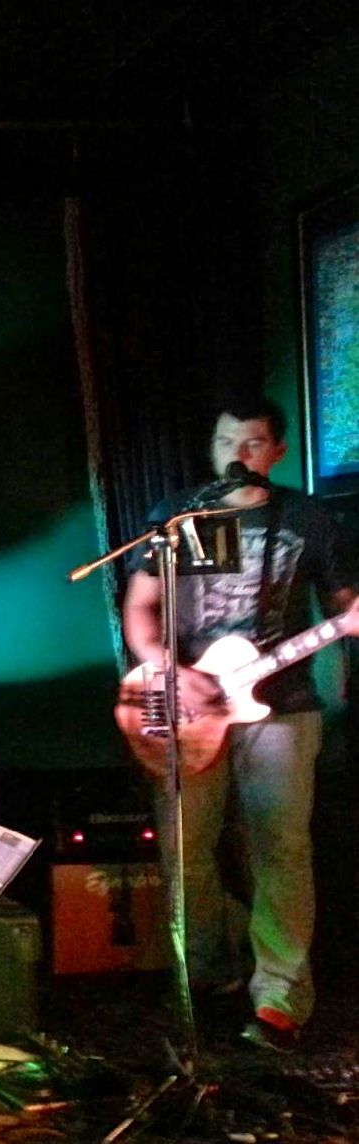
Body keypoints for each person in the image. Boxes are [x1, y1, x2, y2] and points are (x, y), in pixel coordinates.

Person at [121, 397, 359, 1052]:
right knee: (184, 846)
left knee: (281, 847)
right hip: (186, 704)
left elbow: (344, 607)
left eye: (253, 443)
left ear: (277, 451)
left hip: (282, 706)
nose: (238, 454)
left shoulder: (309, 518)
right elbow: (141, 607)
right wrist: (166, 668)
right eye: (227, 441)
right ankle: (210, 965)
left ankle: (280, 996)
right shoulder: (175, 516)